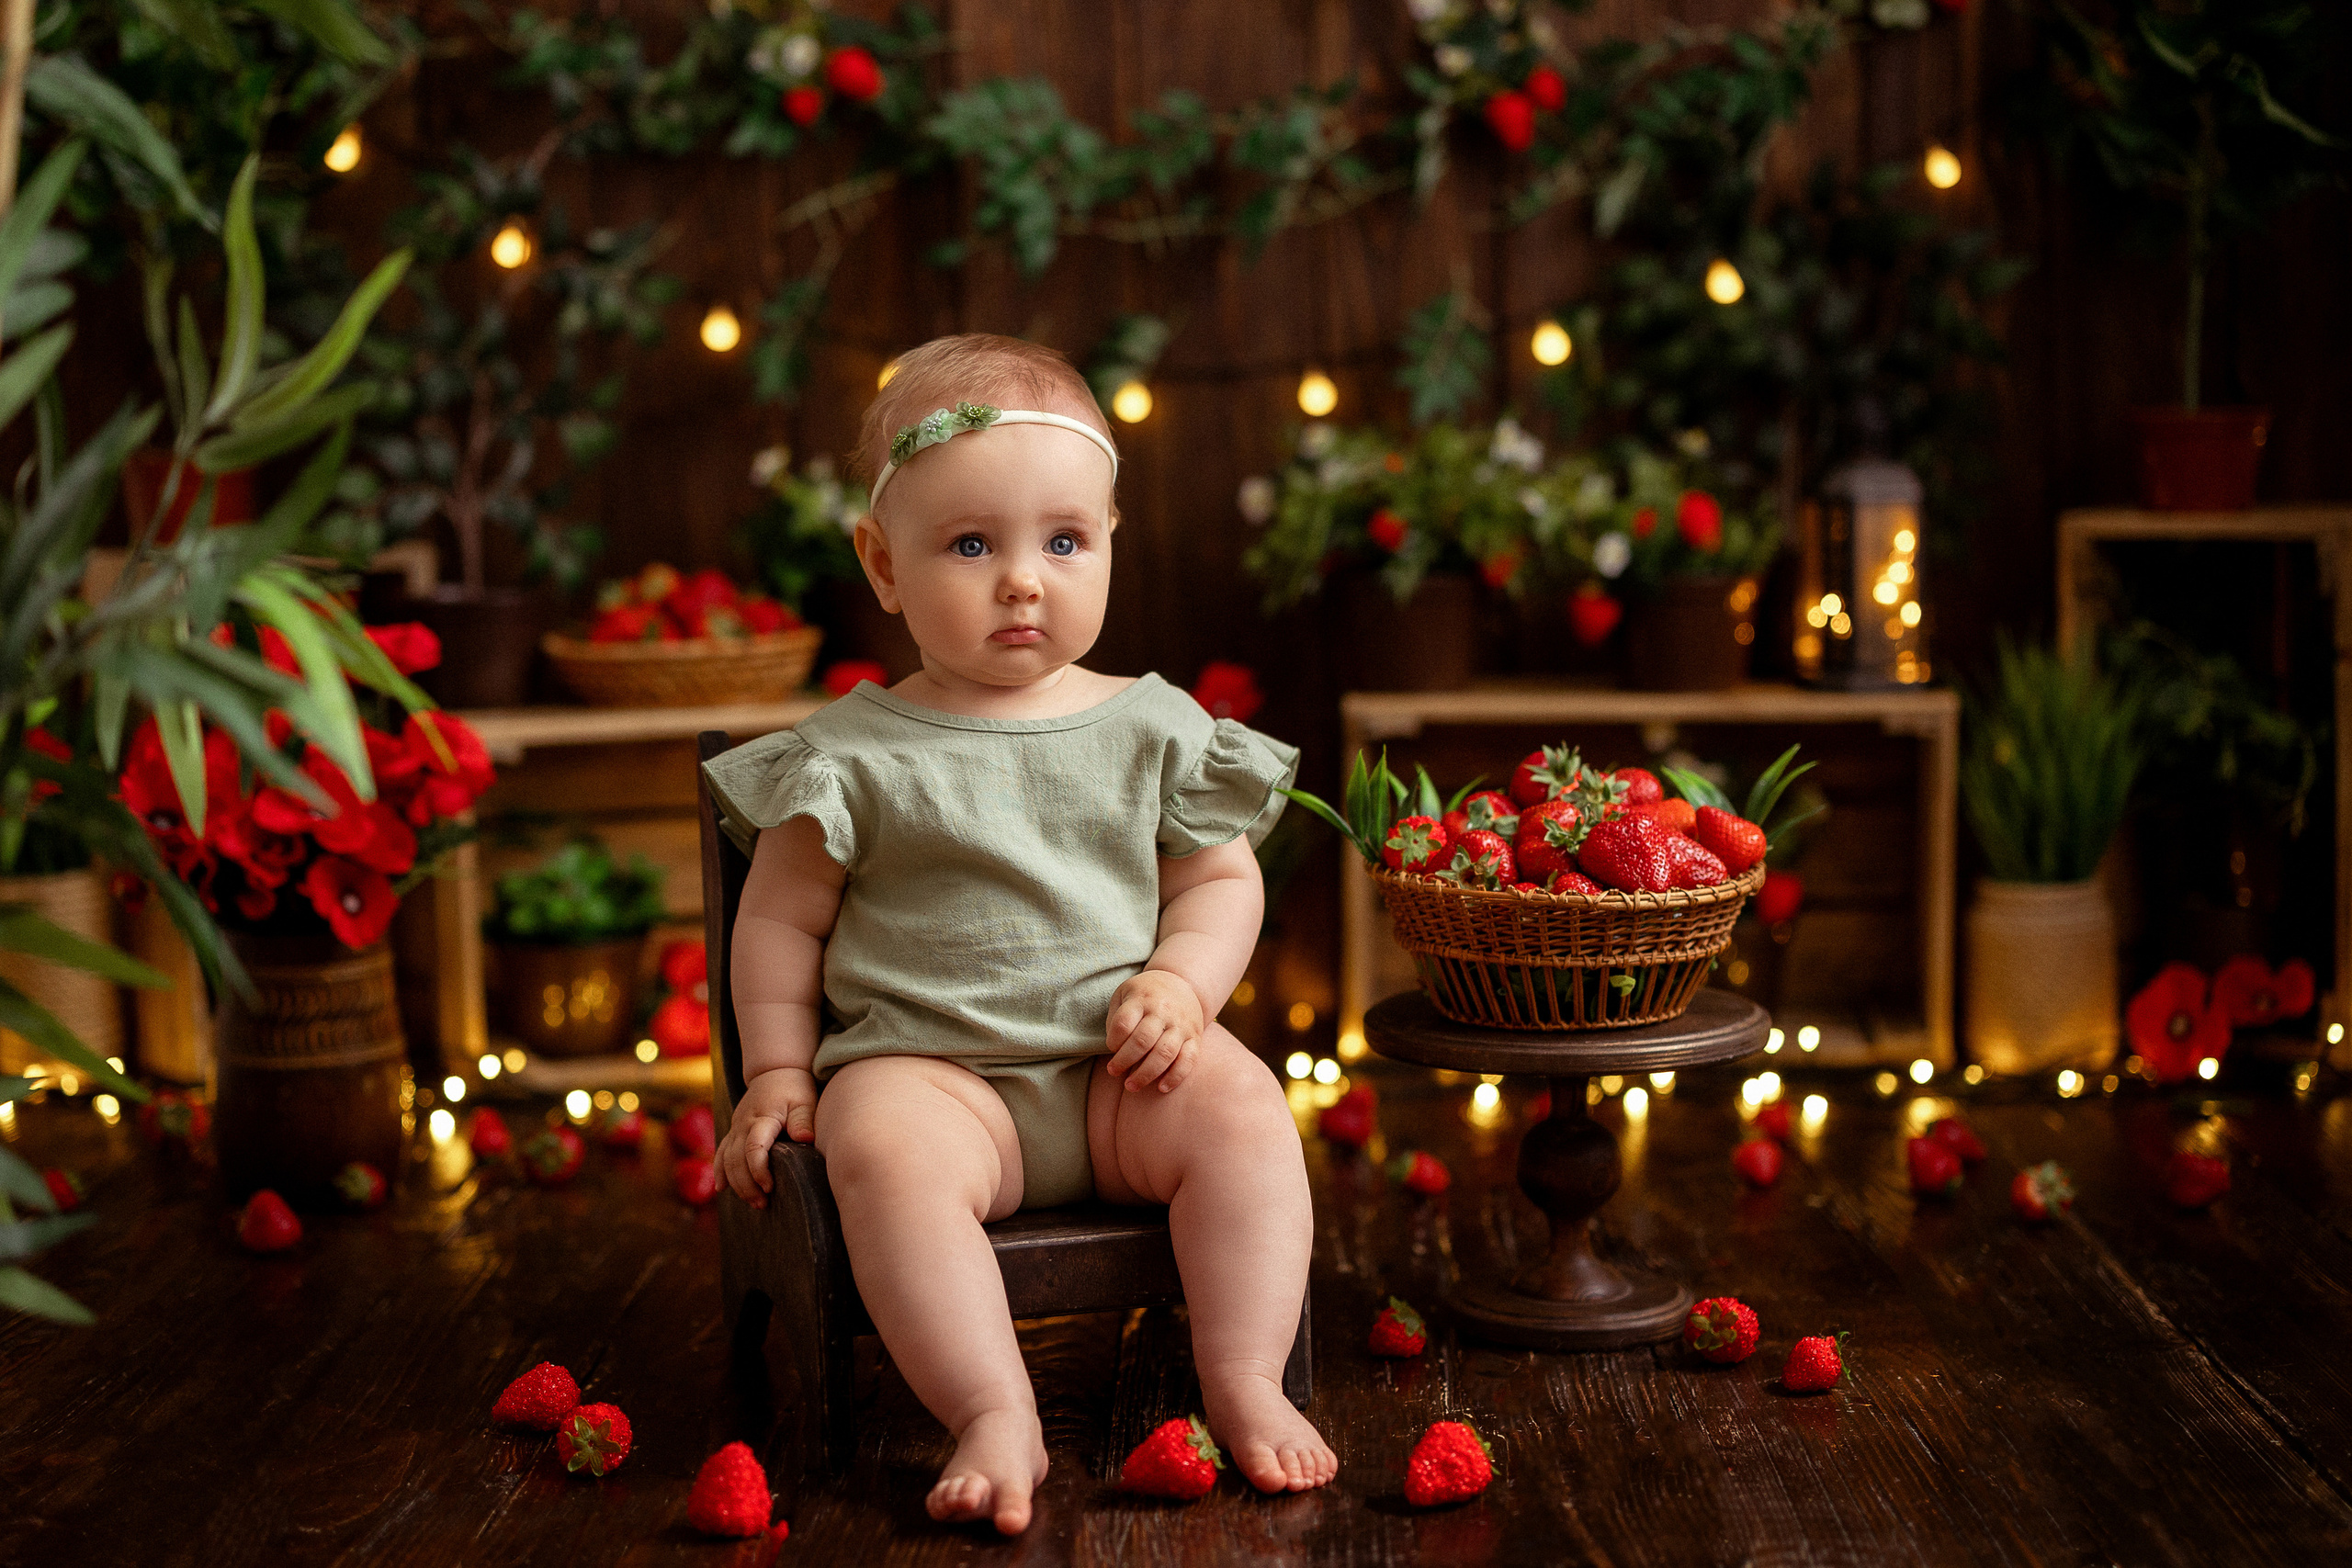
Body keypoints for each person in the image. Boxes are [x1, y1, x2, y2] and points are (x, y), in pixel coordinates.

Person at [703, 333, 1335, 1534]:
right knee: (879, 1150)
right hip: (938, 1083)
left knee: (1246, 1111)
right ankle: (994, 1409)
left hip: (1119, 1073)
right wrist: (779, 1074)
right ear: (884, 566)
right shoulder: (852, 753)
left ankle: (1243, 1372)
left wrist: (1182, 986)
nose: (1023, 580)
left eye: (1063, 541)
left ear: (1106, 543)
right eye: (971, 544)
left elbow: (1222, 887)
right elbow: (776, 922)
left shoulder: (1153, 726)